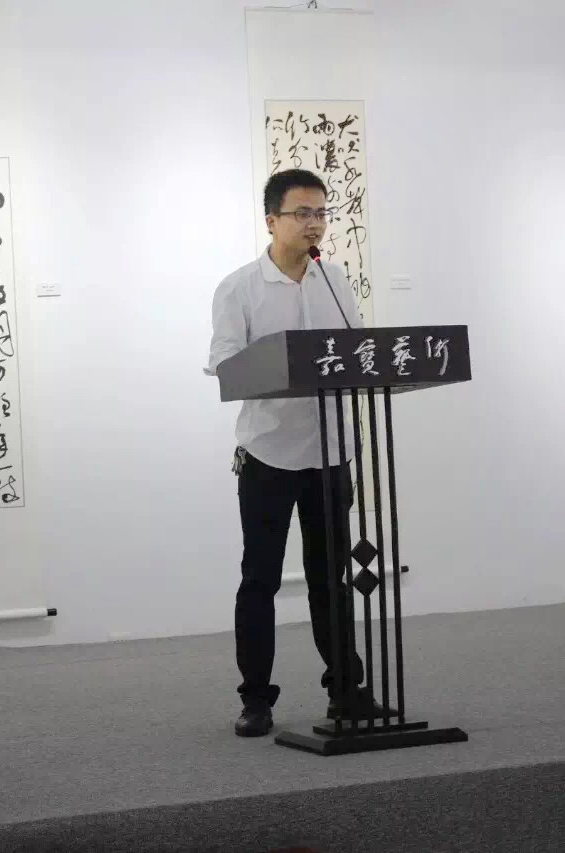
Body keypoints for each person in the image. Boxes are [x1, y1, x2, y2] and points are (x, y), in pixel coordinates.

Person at [205, 168, 391, 738]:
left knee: (330, 579)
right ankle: (256, 699)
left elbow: (358, 349)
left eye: (321, 213)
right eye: (302, 214)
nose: (314, 224)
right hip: (268, 453)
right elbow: (224, 364)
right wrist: (281, 366)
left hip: (331, 451)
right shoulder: (239, 288)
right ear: (271, 220)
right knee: (259, 579)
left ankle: (346, 690)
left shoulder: (334, 281)